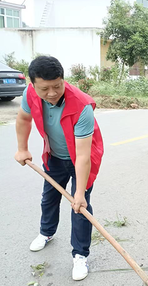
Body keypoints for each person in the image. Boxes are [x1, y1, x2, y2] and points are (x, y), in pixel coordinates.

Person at [14, 56, 104, 281]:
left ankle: (80, 255)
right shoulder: (29, 94)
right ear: (32, 84)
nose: (52, 93)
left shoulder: (82, 106)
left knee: (80, 207)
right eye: (45, 88)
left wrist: (80, 193)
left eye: (57, 86)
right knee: (49, 198)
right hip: (54, 156)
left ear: (64, 80)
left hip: (80, 159)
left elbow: (82, 156)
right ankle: (47, 233)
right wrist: (22, 148)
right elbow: (24, 119)